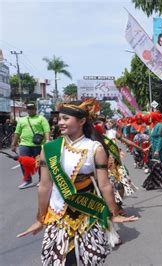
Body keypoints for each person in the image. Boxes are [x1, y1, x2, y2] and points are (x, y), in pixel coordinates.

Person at [16, 100, 137, 265]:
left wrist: (113, 213)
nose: (60, 122)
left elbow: (104, 185)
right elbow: (45, 186)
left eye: (66, 118)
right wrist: (40, 219)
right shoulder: (49, 149)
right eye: (59, 119)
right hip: (58, 213)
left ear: (81, 121)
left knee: (93, 258)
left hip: (88, 212)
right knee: (57, 260)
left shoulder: (95, 148)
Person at [11, 103, 51, 189]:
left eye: (32, 108)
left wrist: (47, 140)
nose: (30, 110)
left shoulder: (41, 118)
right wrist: (13, 144)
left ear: (35, 109)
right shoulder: (22, 120)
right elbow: (17, 132)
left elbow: (46, 130)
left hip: (38, 144)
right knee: (23, 162)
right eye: (29, 109)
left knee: (40, 163)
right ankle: (27, 181)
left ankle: (41, 180)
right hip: (24, 144)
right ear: (27, 110)